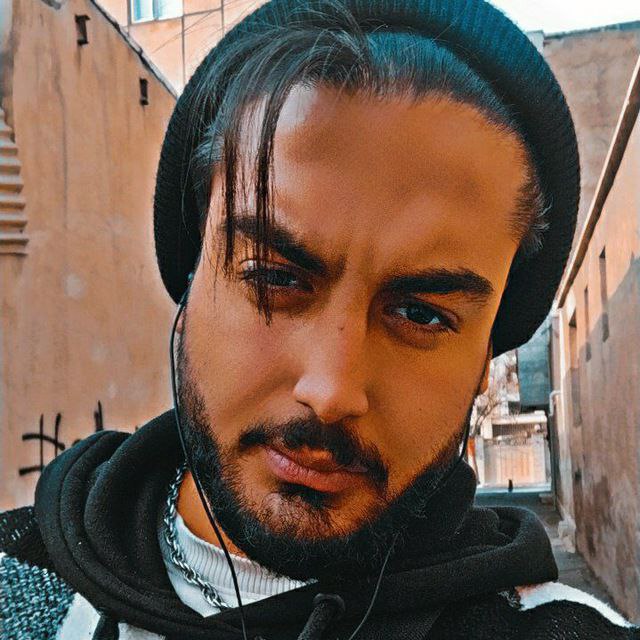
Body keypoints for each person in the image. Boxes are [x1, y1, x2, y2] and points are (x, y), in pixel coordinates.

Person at [1, 0, 637, 638]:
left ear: (484, 359)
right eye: (275, 279)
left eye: (420, 314)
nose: (331, 391)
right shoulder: (18, 586)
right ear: (192, 271)